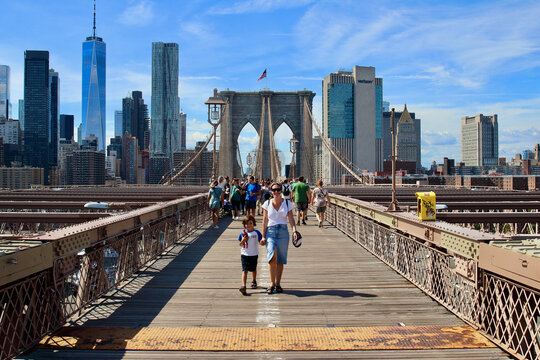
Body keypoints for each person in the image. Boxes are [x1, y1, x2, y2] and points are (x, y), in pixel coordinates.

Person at [260, 182, 298, 294]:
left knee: (280, 259)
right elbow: (264, 220)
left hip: (283, 232)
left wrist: (294, 231)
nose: (276, 192)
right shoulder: (267, 203)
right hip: (270, 232)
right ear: (271, 191)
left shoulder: (287, 203)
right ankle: (271, 283)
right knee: (272, 257)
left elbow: (291, 218)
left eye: (278, 190)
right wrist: (263, 236)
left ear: (281, 191)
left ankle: (278, 283)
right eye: (274, 190)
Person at [237, 215, 262, 295]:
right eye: (247, 224)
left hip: (254, 254)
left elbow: (260, 241)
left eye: (251, 223)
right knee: (245, 270)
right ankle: (243, 286)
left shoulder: (257, 233)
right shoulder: (243, 233)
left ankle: (254, 280)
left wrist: (262, 242)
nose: (249, 225)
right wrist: (243, 240)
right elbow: (240, 244)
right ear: (244, 225)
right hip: (244, 254)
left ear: (253, 223)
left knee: (253, 269)